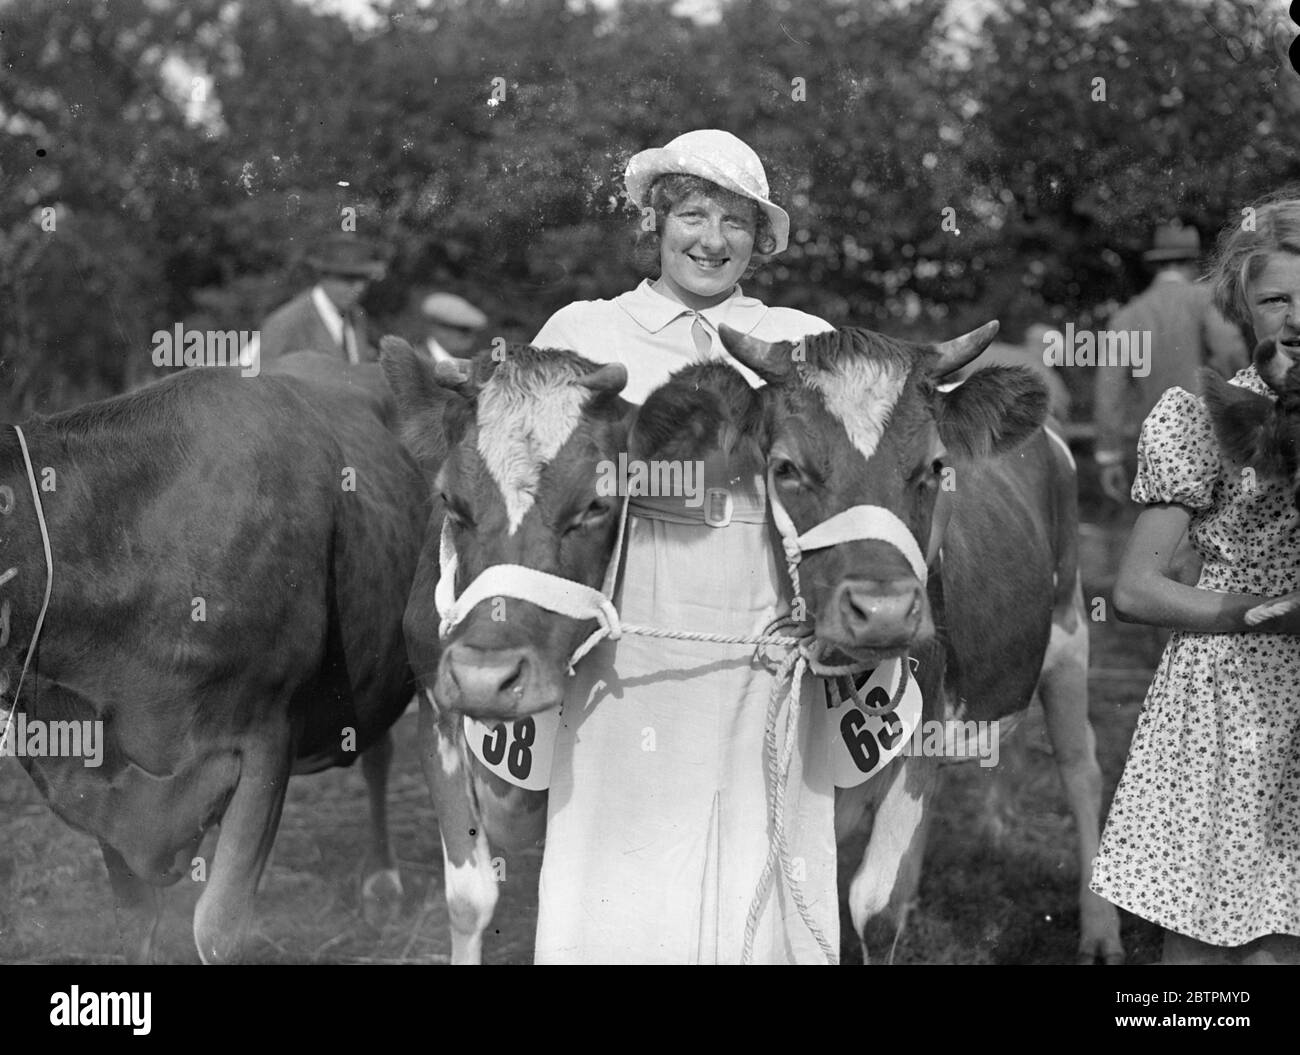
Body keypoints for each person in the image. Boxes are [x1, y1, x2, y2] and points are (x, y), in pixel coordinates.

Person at [529, 129, 838, 964]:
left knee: (760, 861)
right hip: (626, 660)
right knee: (626, 872)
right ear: (656, 225)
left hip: (767, 654)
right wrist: (668, 485)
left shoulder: (800, 339)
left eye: (735, 222)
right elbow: (534, 484)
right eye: (692, 214)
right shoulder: (589, 329)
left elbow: (847, 480)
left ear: (759, 240)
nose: (712, 239)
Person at [1089, 194, 1300, 965]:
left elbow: (1111, 388)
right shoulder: (1196, 409)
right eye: (1277, 298)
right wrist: (1259, 611)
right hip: (1229, 694)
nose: (1296, 317)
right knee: (1207, 939)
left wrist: (1108, 447)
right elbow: (1136, 588)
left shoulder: (1132, 316)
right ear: (1242, 304)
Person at [1094, 222, 1249, 503]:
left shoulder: (1127, 316)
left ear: (1156, 265)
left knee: (1158, 532)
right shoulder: (1204, 301)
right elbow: (1229, 353)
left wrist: (1109, 455)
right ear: (1192, 263)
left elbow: (1110, 388)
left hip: (1151, 446)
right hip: (1206, 439)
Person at [253, 233, 387, 367]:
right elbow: (249, 375)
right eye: (349, 278)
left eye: (364, 278)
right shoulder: (287, 322)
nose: (359, 287)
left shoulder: (357, 317)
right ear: (325, 276)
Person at [418, 291, 488, 363]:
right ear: (439, 330)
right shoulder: (417, 363)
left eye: (470, 331)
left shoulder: (462, 364)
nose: (470, 338)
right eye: (463, 330)